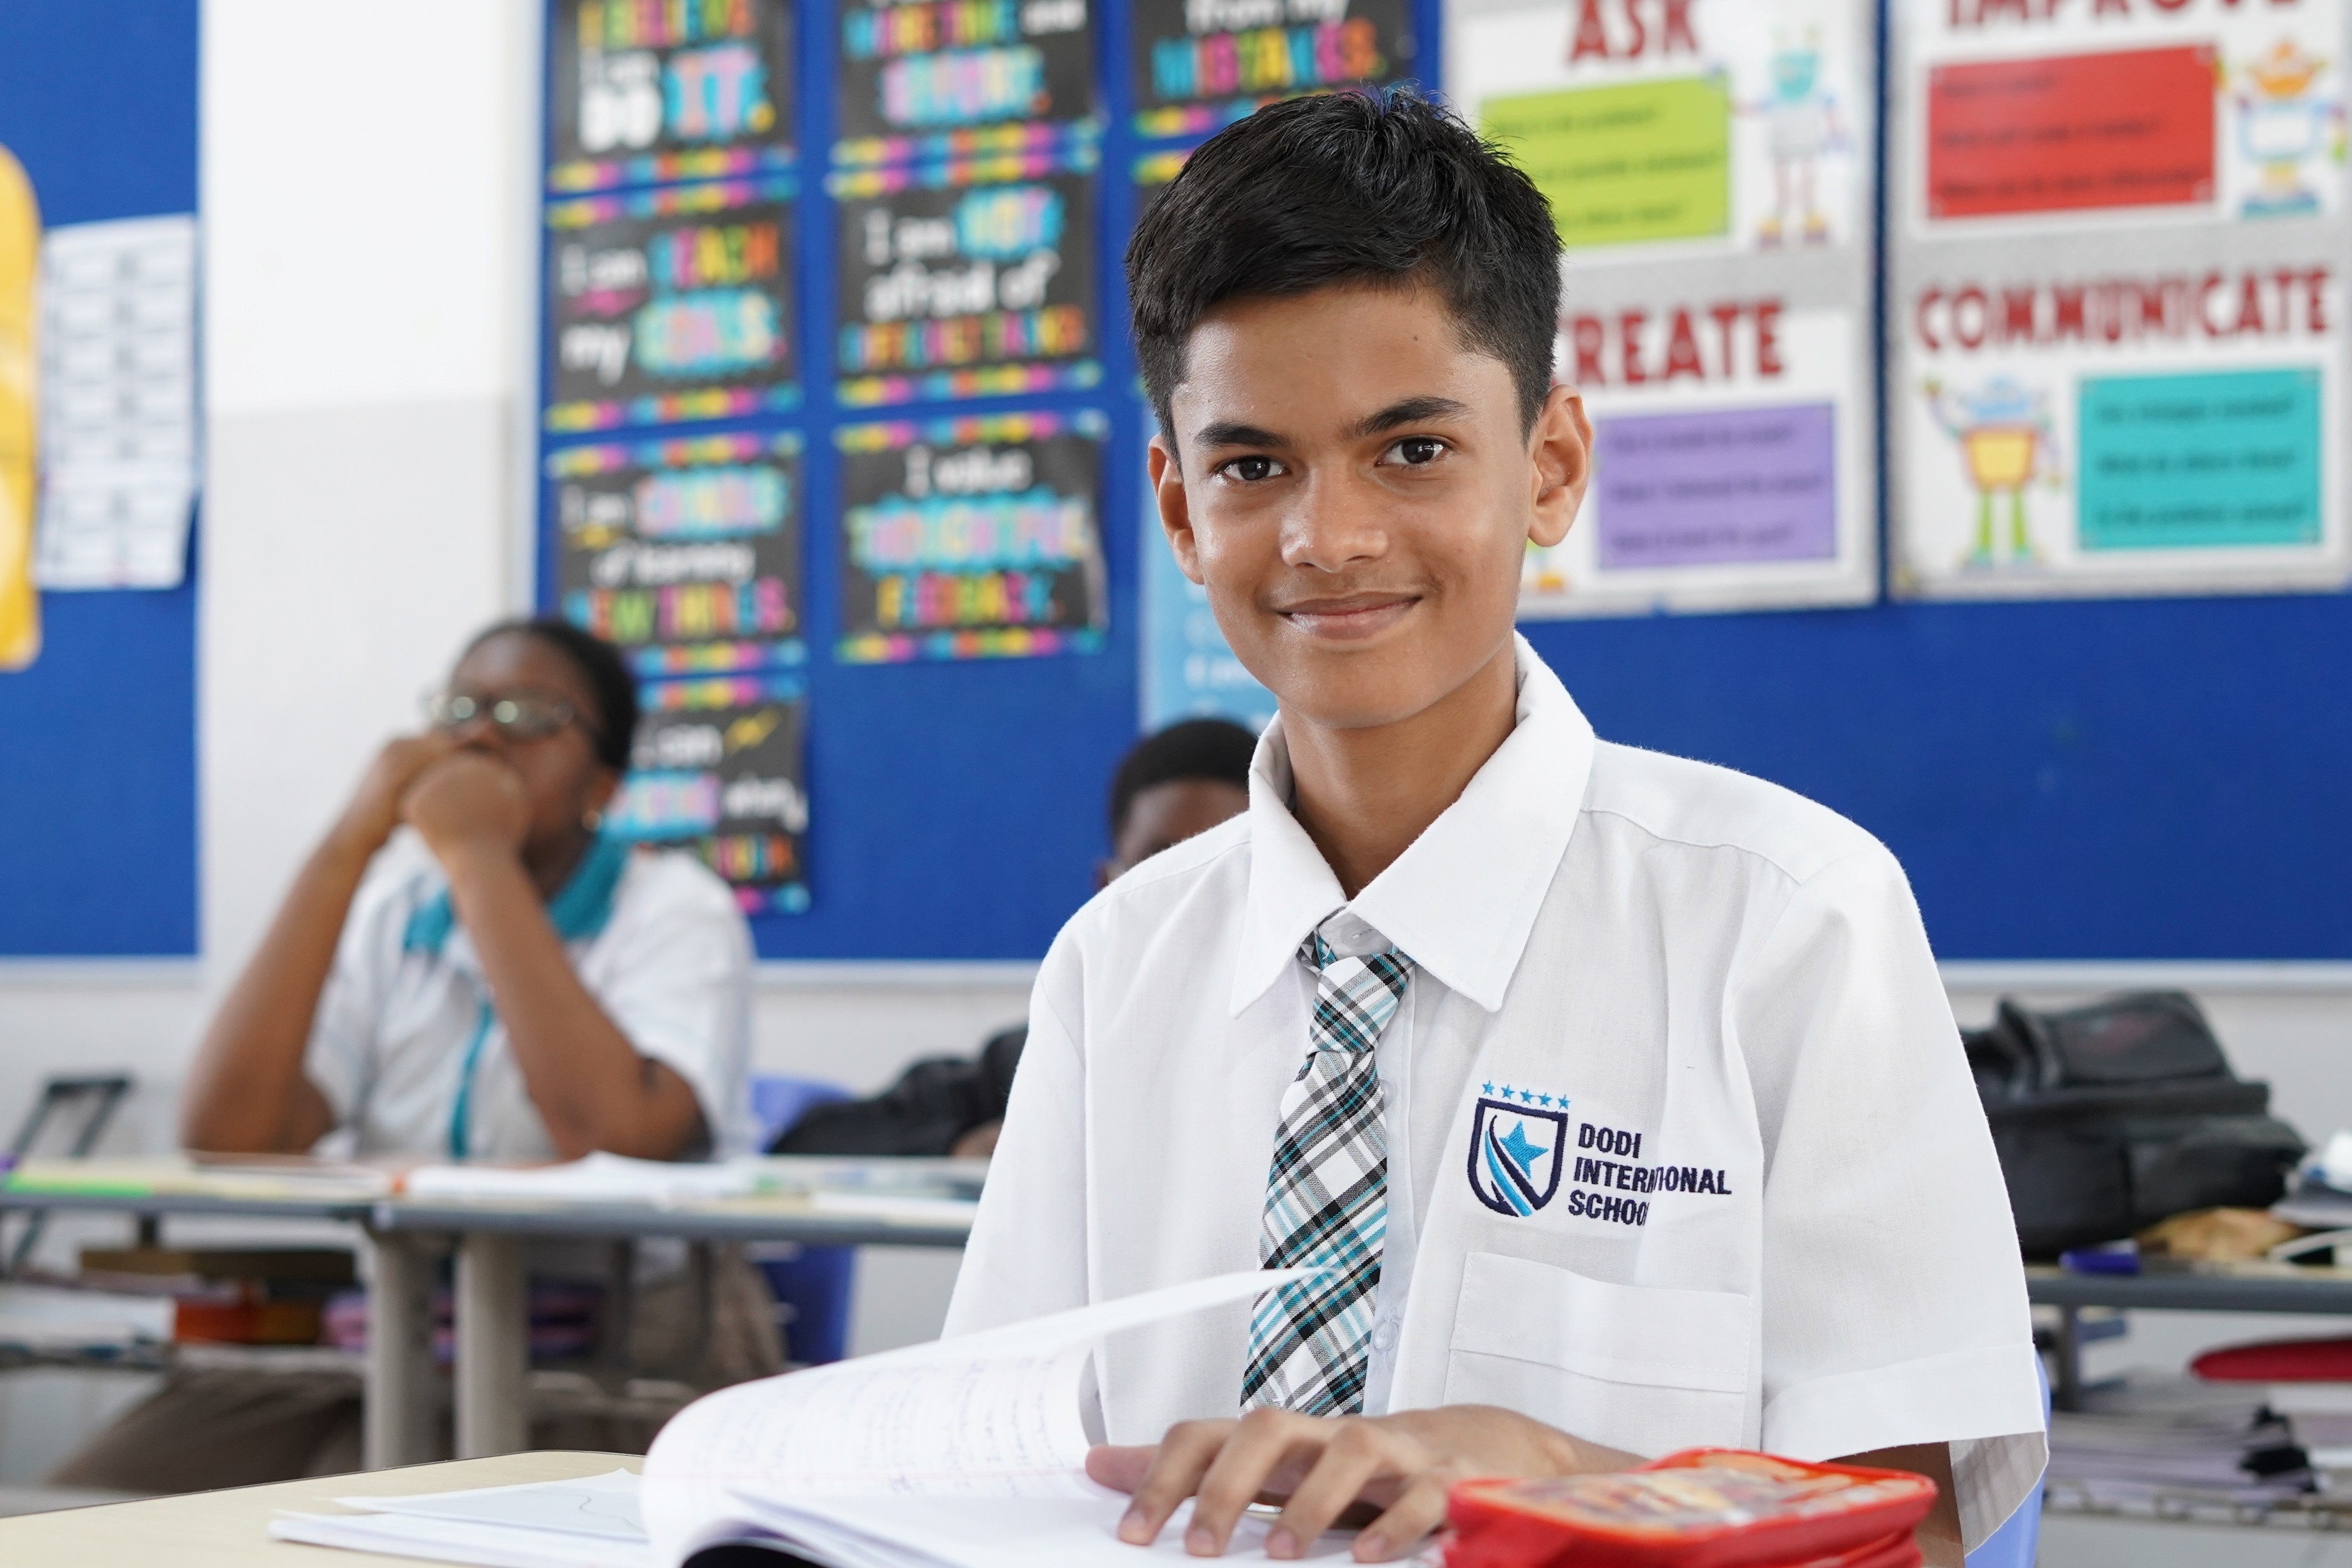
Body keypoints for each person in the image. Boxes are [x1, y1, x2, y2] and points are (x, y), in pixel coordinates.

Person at [943, 89, 2044, 1567]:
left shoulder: (1789, 923)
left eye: (1409, 451)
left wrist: (1548, 1472)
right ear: (1179, 507)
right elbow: (997, 1476)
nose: (1327, 537)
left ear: (1549, 467)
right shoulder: (1114, 965)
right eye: (1252, 465)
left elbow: (1901, 1537)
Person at [55, 617, 770, 1492]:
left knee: (360, 1522)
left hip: (628, 1340)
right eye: (461, 707)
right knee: (83, 1511)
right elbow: (227, 1129)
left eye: (532, 712)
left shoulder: (675, 909)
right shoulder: (396, 911)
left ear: (607, 784)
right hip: (389, 1328)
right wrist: (346, 846)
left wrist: (478, 858)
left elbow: (614, 1132)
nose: (480, 735)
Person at [773, 718, 1258, 1160]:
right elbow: (810, 1143)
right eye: (1161, 865)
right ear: (1107, 887)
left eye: (1231, 864)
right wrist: (961, 1146)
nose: (1194, 896)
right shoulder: (1051, 1054)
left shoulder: (1313, 1054)